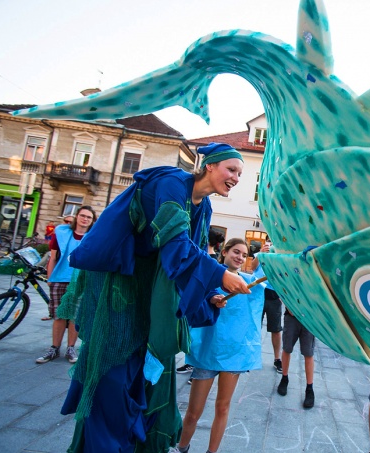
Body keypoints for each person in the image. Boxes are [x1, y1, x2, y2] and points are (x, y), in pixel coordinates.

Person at [56, 143, 251, 453]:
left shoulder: (204, 207)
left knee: (149, 373)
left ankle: (130, 443)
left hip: (153, 288)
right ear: (209, 166)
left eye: (240, 173)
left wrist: (211, 294)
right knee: (114, 371)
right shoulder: (172, 184)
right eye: (232, 169)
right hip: (123, 283)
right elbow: (176, 247)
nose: (236, 178)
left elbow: (196, 252)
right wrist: (219, 275)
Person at [172, 238, 265, 453]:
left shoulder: (248, 282)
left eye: (244, 254)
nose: (240, 257)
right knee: (194, 410)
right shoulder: (209, 274)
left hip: (234, 353)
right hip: (208, 351)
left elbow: (267, 279)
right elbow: (197, 292)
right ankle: (182, 447)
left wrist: (265, 257)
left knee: (222, 407)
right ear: (224, 252)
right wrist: (213, 298)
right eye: (236, 251)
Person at [35, 206, 96, 364]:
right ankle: (54, 348)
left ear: (92, 221)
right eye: (83, 216)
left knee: (75, 316)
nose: (85, 219)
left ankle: (70, 348)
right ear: (77, 216)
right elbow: (53, 257)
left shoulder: (93, 236)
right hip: (60, 278)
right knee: (59, 315)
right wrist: (50, 278)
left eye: (89, 217)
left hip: (80, 280)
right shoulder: (62, 233)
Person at [177, 227, 226, 375]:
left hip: (199, 300)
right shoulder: (208, 256)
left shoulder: (204, 257)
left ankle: (192, 363)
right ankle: (192, 363)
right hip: (203, 300)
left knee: (195, 335)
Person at [252, 239, 283, 373]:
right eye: (268, 243)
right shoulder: (259, 255)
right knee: (254, 325)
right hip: (258, 293)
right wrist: (260, 254)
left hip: (274, 295)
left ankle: (277, 358)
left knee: (276, 329)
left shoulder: (280, 257)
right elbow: (253, 268)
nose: (270, 247)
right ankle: (252, 355)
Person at [277, 306, 316, 408]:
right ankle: (284, 378)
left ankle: (309, 389)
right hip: (291, 316)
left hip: (309, 319)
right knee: (287, 349)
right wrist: (288, 305)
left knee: (308, 353)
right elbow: (283, 290)